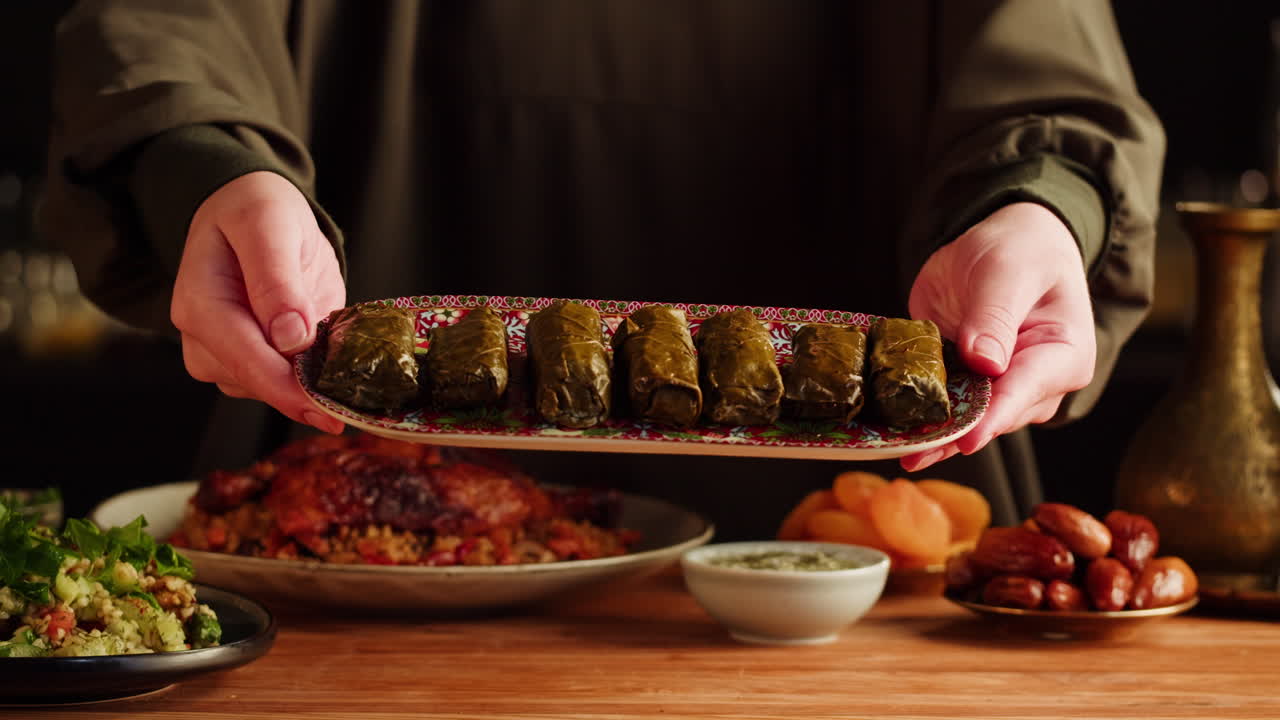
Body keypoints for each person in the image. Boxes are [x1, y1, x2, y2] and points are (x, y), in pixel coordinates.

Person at [39, 1, 1164, 539]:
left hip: (873, 564)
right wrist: (205, 168)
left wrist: (1042, 206)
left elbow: (1047, 65)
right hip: (348, 543)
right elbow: (167, 27)